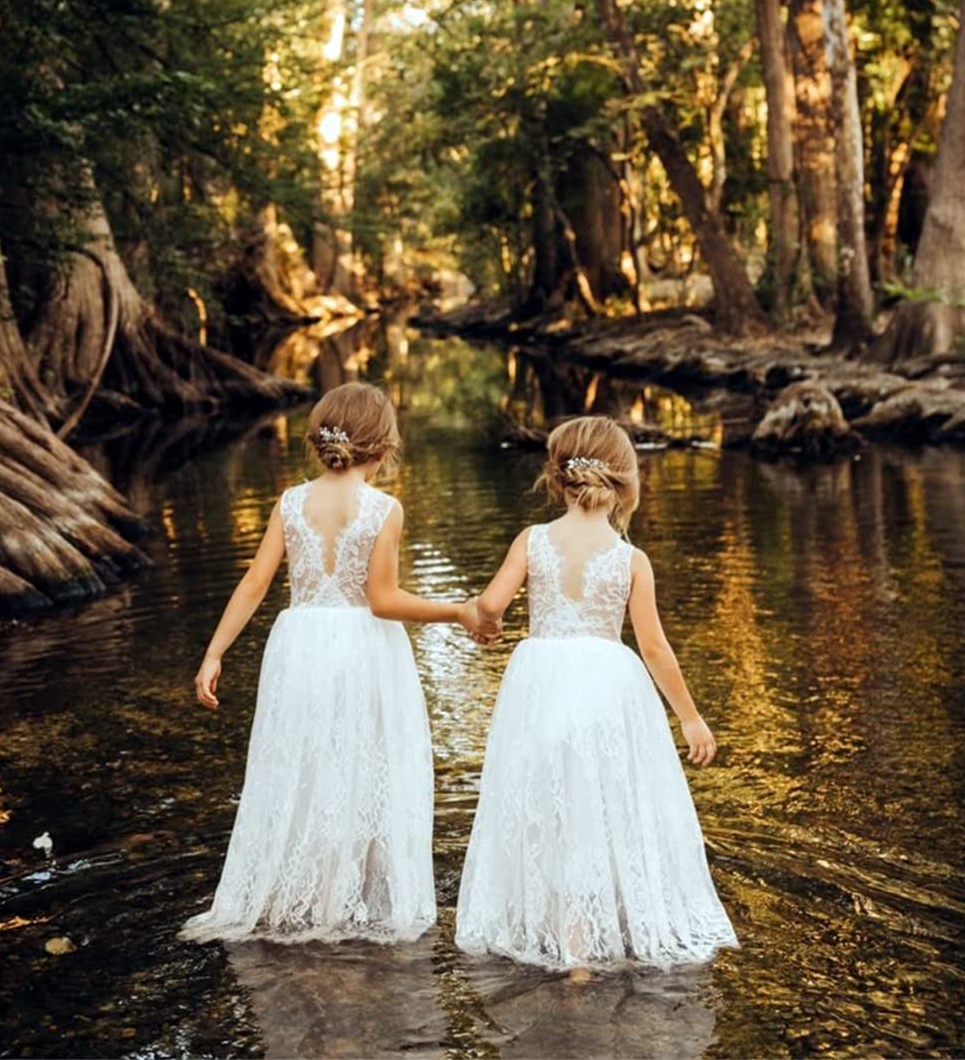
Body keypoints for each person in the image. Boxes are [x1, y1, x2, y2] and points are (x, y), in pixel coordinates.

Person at [182, 382, 481, 945]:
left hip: (297, 648)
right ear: (382, 445)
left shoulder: (291, 501)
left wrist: (214, 651)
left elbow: (254, 583)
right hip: (363, 650)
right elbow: (383, 600)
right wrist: (457, 612)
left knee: (301, 766)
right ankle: (344, 904)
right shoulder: (382, 510)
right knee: (362, 770)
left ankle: (303, 895)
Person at [455, 415, 739, 969]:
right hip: (610, 690)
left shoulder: (532, 541)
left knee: (549, 808)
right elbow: (654, 647)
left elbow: (490, 605)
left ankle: (563, 938)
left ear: (558, 480)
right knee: (603, 808)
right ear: (625, 483)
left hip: (539, 687)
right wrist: (690, 718)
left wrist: (486, 627)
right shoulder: (632, 560)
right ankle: (592, 947)